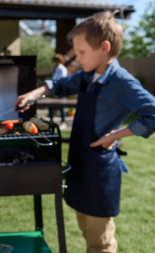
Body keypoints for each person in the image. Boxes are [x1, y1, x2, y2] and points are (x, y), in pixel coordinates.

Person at [16, 11, 155, 253]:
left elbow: (152, 112)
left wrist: (115, 136)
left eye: (81, 52)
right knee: (84, 226)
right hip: (80, 164)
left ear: (104, 47)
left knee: (100, 243)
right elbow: (60, 84)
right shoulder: (89, 75)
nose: (77, 59)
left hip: (100, 173)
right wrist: (35, 93)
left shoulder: (122, 82)